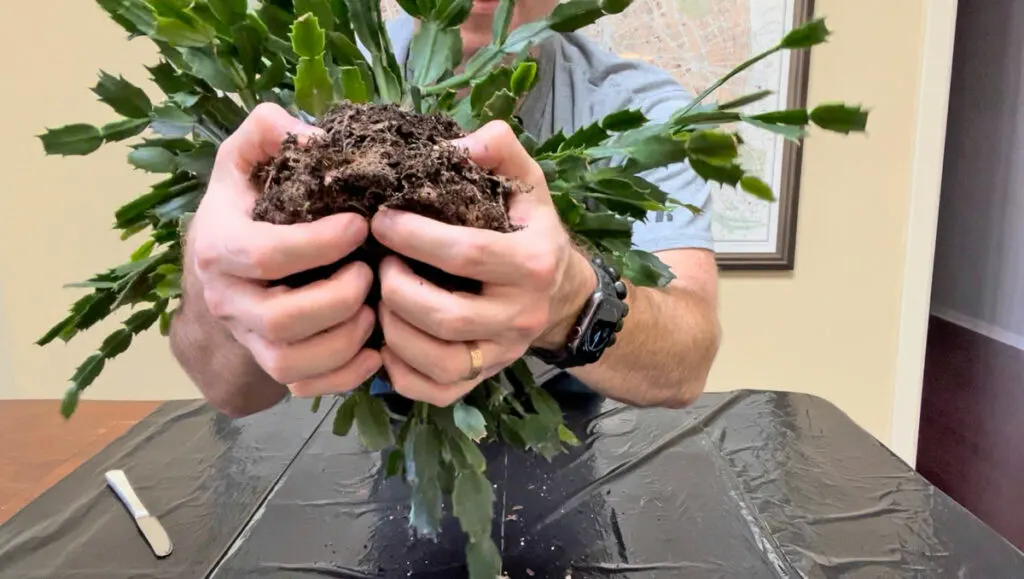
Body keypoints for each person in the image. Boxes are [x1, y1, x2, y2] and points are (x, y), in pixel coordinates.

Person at [169, 0, 722, 418]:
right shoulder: (293, 95)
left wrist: (571, 298)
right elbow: (225, 388)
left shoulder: (644, 111)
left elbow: (686, 360)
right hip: (356, 430)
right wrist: (211, 270)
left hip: (559, 419)